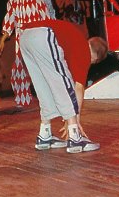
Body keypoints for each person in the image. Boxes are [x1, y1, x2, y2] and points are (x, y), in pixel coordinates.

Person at [19, 18, 108, 152]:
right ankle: (75, 137)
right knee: (63, 83)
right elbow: (78, 88)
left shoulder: (73, 43)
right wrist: (75, 120)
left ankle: (45, 134)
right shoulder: (84, 49)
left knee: (44, 86)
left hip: (25, 37)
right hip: (44, 34)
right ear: (95, 58)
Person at [0, 0, 52, 106]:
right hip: (21, 39)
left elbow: (46, 20)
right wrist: (2, 40)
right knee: (19, 69)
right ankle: (23, 99)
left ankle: (48, 97)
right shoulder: (12, 2)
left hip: (36, 38)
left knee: (40, 68)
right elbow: (9, 22)